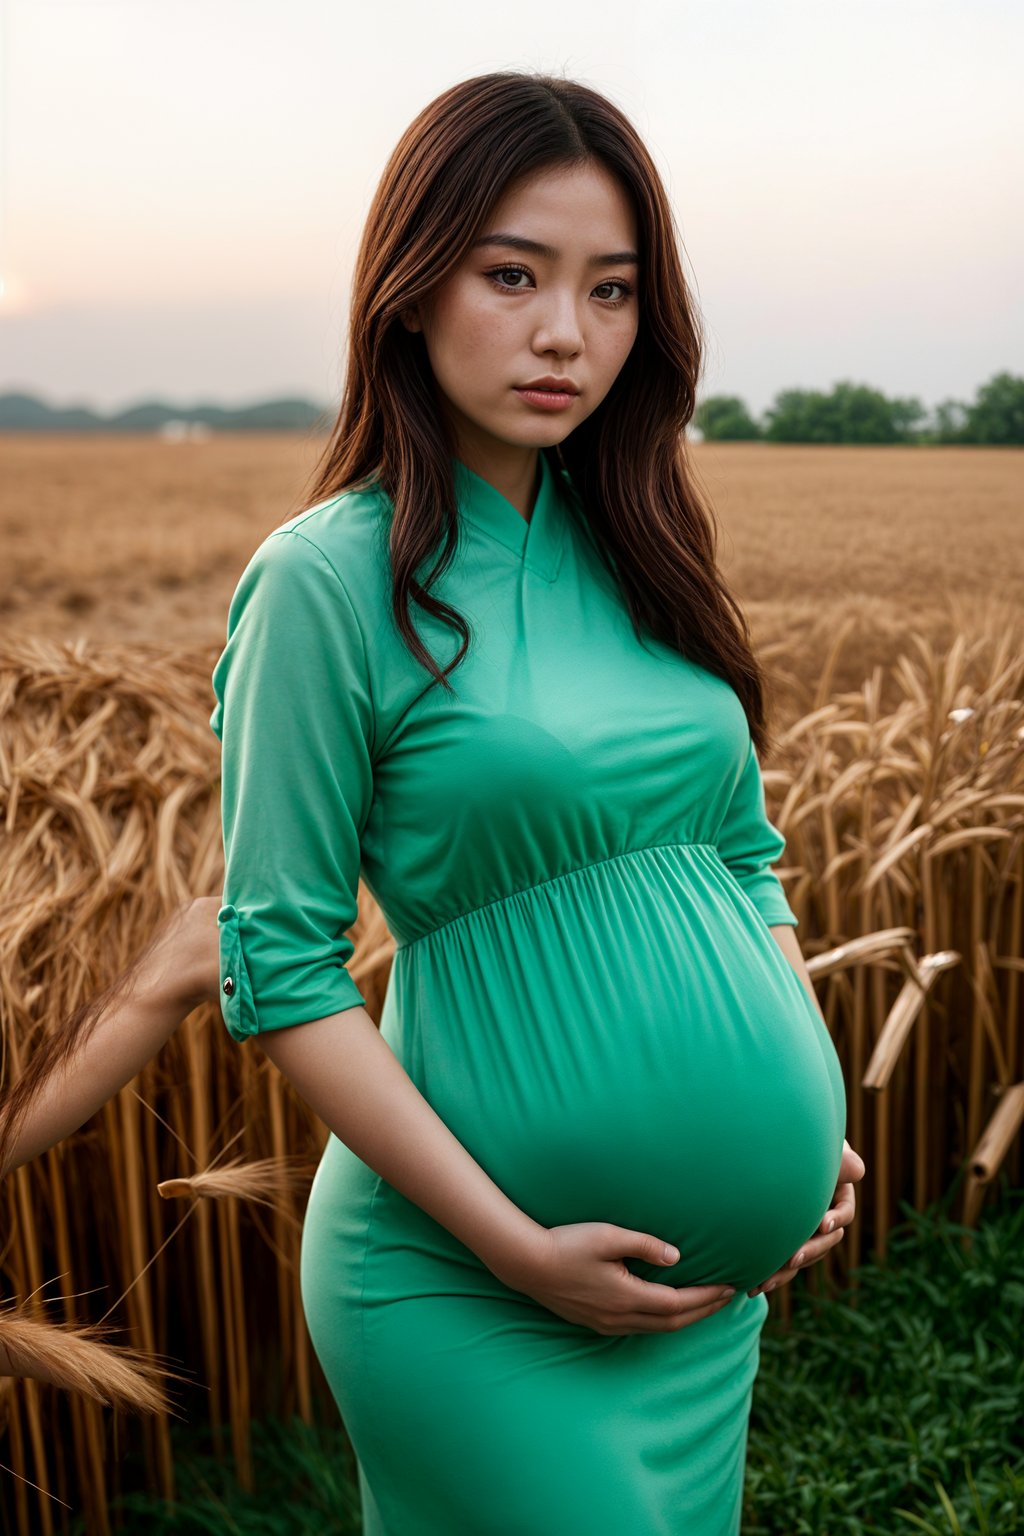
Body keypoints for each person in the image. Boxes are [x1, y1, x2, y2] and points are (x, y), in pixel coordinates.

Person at [1, 69, 866, 1536]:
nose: (563, 334)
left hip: (703, 1313)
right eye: (512, 275)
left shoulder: (645, 546)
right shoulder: (326, 581)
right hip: (468, 1292)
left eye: (611, 291)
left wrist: (807, 1125)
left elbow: (739, 853)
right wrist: (519, 1248)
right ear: (410, 283)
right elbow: (276, 964)